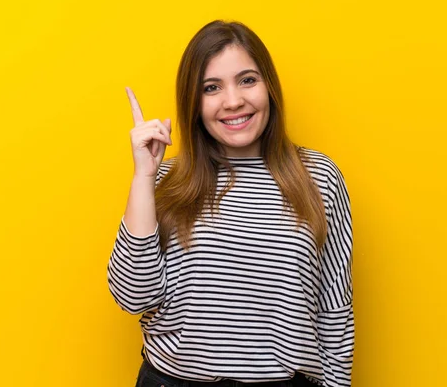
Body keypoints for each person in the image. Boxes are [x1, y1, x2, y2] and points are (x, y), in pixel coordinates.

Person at [108, 20, 354, 387]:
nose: (234, 100)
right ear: (194, 102)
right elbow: (132, 296)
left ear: (269, 86)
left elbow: (335, 310)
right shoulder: (166, 179)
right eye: (212, 87)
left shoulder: (318, 176)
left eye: (247, 80)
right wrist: (143, 177)